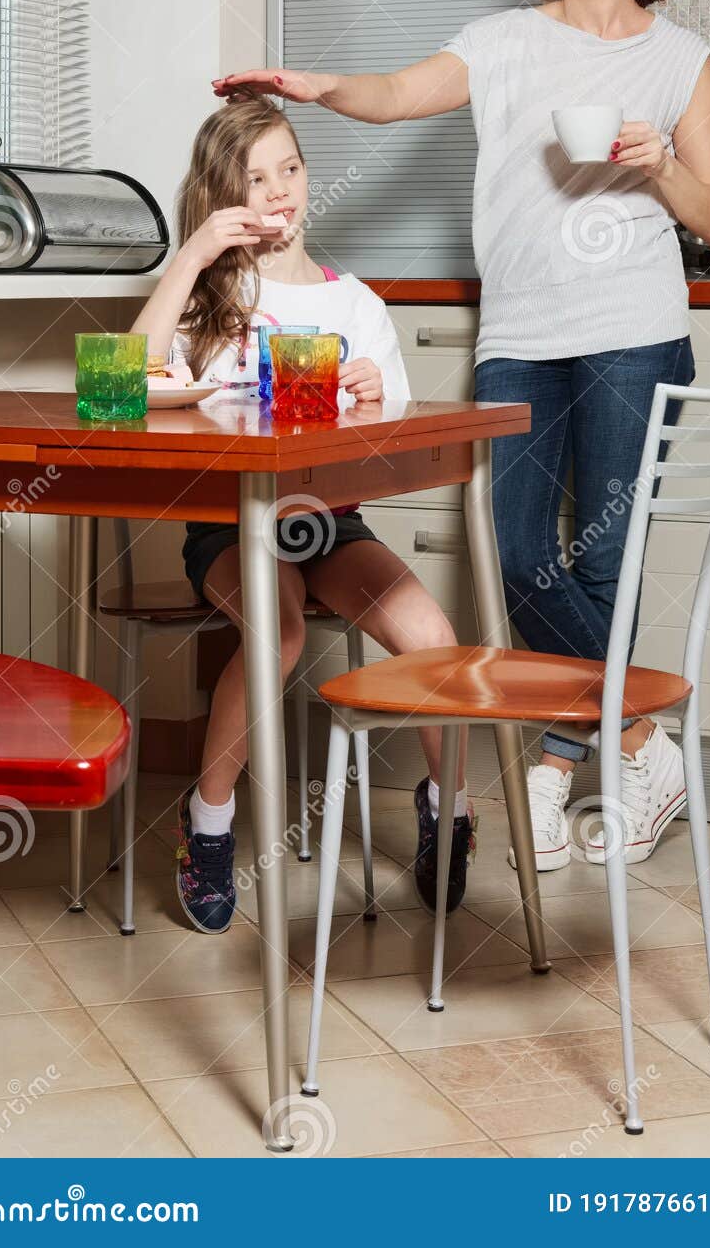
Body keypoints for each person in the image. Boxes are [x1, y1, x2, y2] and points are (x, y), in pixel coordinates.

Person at [212, 0, 710, 875]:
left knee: (595, 560)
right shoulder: (500, 41)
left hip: (632, 330)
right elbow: (402, 92)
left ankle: (550, 765)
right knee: (513, 553)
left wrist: (659, 163)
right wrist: (317, 86)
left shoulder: (679, 61)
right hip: (521, 337)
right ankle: (638, 742)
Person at [132, 94, 474, 931]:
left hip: (330, 522)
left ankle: (447, 807)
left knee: (433, 636)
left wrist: (366, 395)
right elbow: (127, 376)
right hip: (230, 524)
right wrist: (195, 254)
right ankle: (207, 824)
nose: (279, 190)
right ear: (223, 196)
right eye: (255, 179)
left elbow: (393, 437)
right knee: (279, 634)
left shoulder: (353, 305)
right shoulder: (212, 304)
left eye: (290, 168)